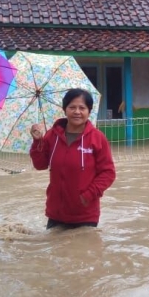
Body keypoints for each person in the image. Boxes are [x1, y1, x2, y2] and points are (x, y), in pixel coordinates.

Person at [29, 88, 116, 229]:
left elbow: (108, 173)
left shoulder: (97, 138)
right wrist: (38, 142)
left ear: (89, 111)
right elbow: (40, 165)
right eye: (72, 107)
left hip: (85, 214)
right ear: (65, 109)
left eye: (82, 108)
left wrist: (87, 196)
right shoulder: (52, 135)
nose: (77, 112)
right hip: (56, 213)